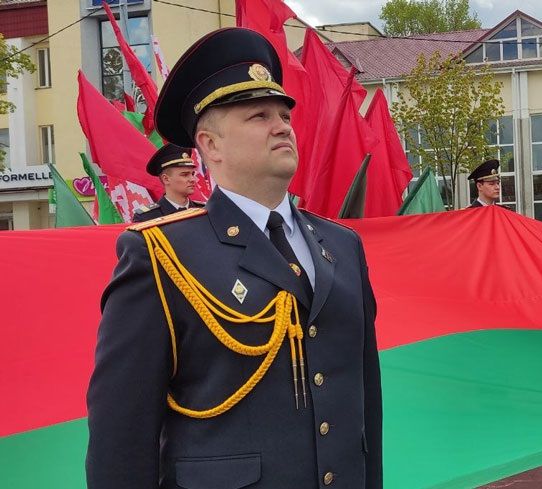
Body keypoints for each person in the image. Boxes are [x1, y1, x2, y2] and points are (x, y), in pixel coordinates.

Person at [86, 28, 382, 489]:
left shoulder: (343, 245)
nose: (282, 126)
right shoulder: (161, 254)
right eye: (259, 115)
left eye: (284, 115)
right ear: (210, 145)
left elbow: (366, 405)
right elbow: (121, 433)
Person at [132, 143, 204, 222]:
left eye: (192, 174)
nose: (193, 179)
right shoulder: (147, 217)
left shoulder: (203, 210)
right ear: (166, 179)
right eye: (185, 175)